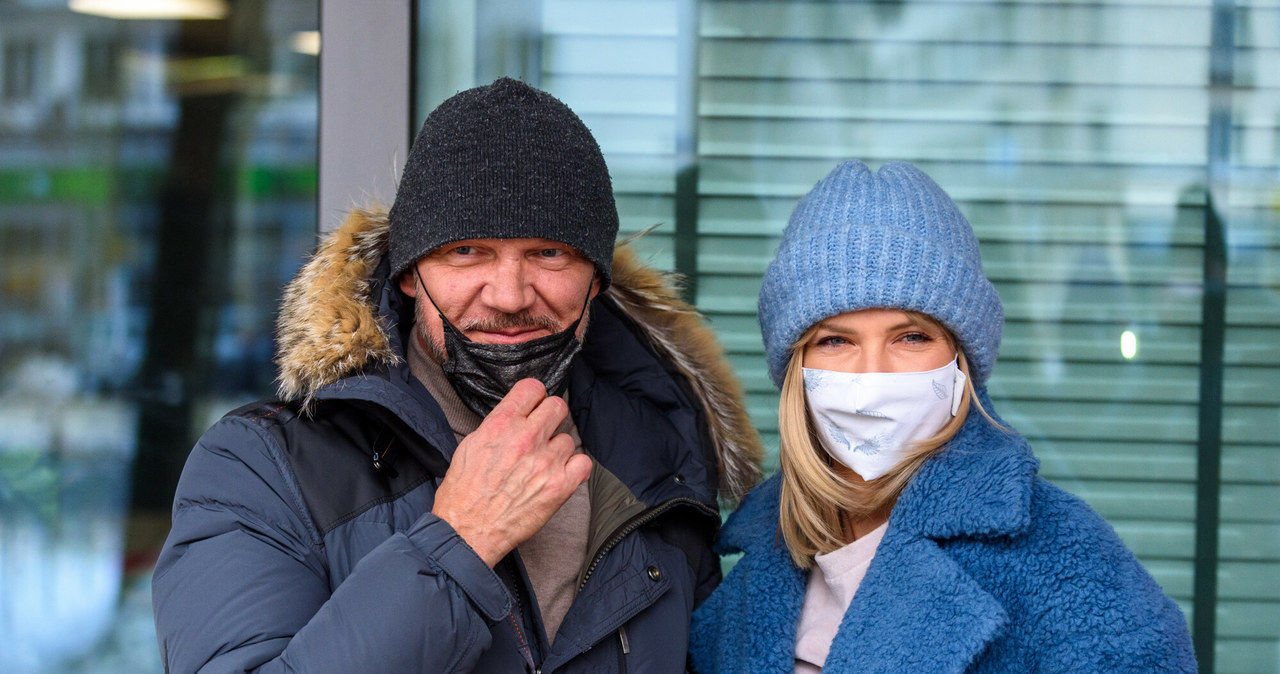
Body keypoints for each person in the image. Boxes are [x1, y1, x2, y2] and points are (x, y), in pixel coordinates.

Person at [152, 77, 762, 673]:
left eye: (549, 254)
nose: (508, 294)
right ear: (411, 274)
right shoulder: (263, 467)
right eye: (466, 252)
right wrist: (460, 543)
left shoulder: (659, 456)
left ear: (596, 279)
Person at [688, 160, 1197, 672]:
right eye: (835, 340)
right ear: (796, 367)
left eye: (911, 337)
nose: (873, 377)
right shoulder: (751, 568)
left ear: (962, 361)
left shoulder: (1073, 565)